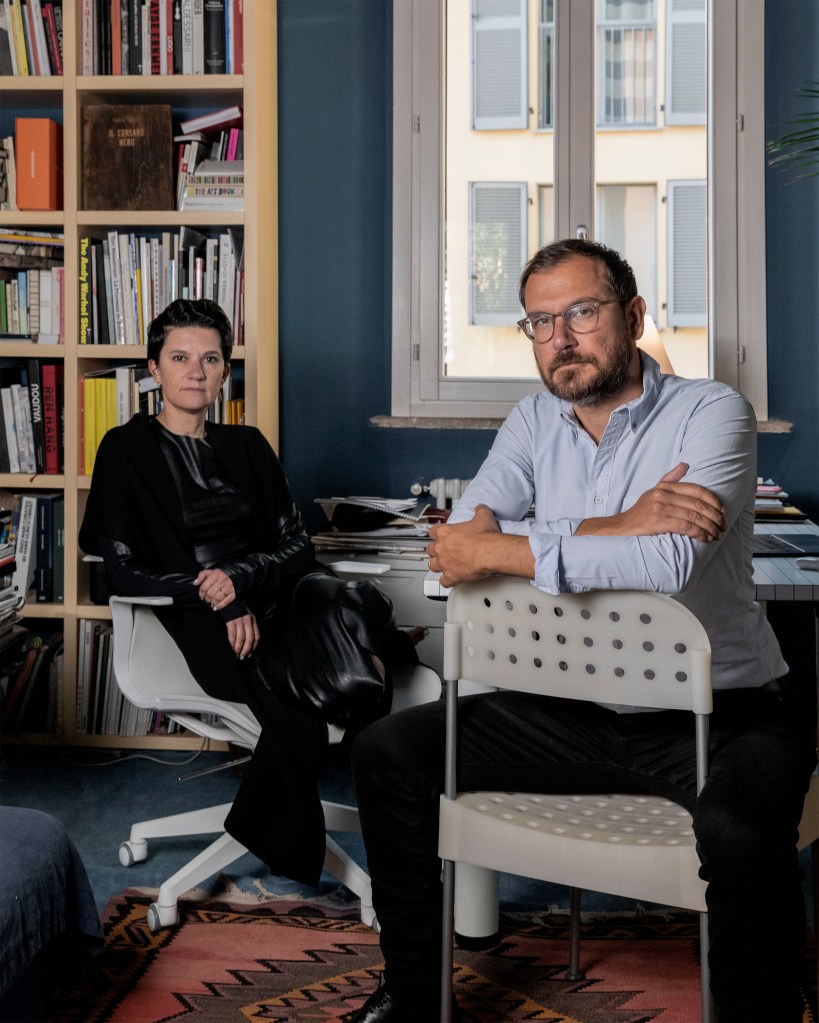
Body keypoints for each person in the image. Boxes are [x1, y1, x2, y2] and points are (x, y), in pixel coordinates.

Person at [343, 239, 817, 1023]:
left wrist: (522, 541)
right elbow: (457, 545)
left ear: (631, 315)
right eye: (538, 321)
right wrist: (619, 522)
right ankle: (412, 996)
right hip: (566, 711)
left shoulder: (712, 412)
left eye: (581, 313)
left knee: (738, 828)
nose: (560, 338)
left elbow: (665, 563)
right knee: (386, 752)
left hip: (721, 716)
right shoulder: (532, 419)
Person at [79, 297, 416, 887]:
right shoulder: (125, 451)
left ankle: (267, 815)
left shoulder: (249, 446)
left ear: (225, 371)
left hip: (276, 599)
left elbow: (297, 547)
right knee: (306, 713)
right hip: (197, 619)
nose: (196, 371)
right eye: (179, 357)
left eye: (211, 359)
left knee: (346, 668)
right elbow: (122, 572)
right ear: (153, 370)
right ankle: (291, 839)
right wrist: (219, 596)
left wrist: (240, 579)